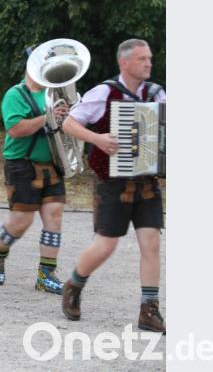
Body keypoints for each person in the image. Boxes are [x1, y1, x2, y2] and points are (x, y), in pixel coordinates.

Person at [60, 39, 166, 333]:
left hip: (146, 182)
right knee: (106, 246)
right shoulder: (104, 92)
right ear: (125, 63)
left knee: (151, 243)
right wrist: (97, 139)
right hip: (112, 183)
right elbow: (69, 123)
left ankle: (149, 310)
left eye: (149, 58)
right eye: (142, 59)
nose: (148, 63)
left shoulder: (157, 94)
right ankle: (74, 285)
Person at [0, 57, 67, 294]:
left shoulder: (55, 95)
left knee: (54, 215)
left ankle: (45, 275)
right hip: (22, 164)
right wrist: (49, 117)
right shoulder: (15, 94)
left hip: (51, 164)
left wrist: (68, 117)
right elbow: (15, 129)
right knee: (22, 220)